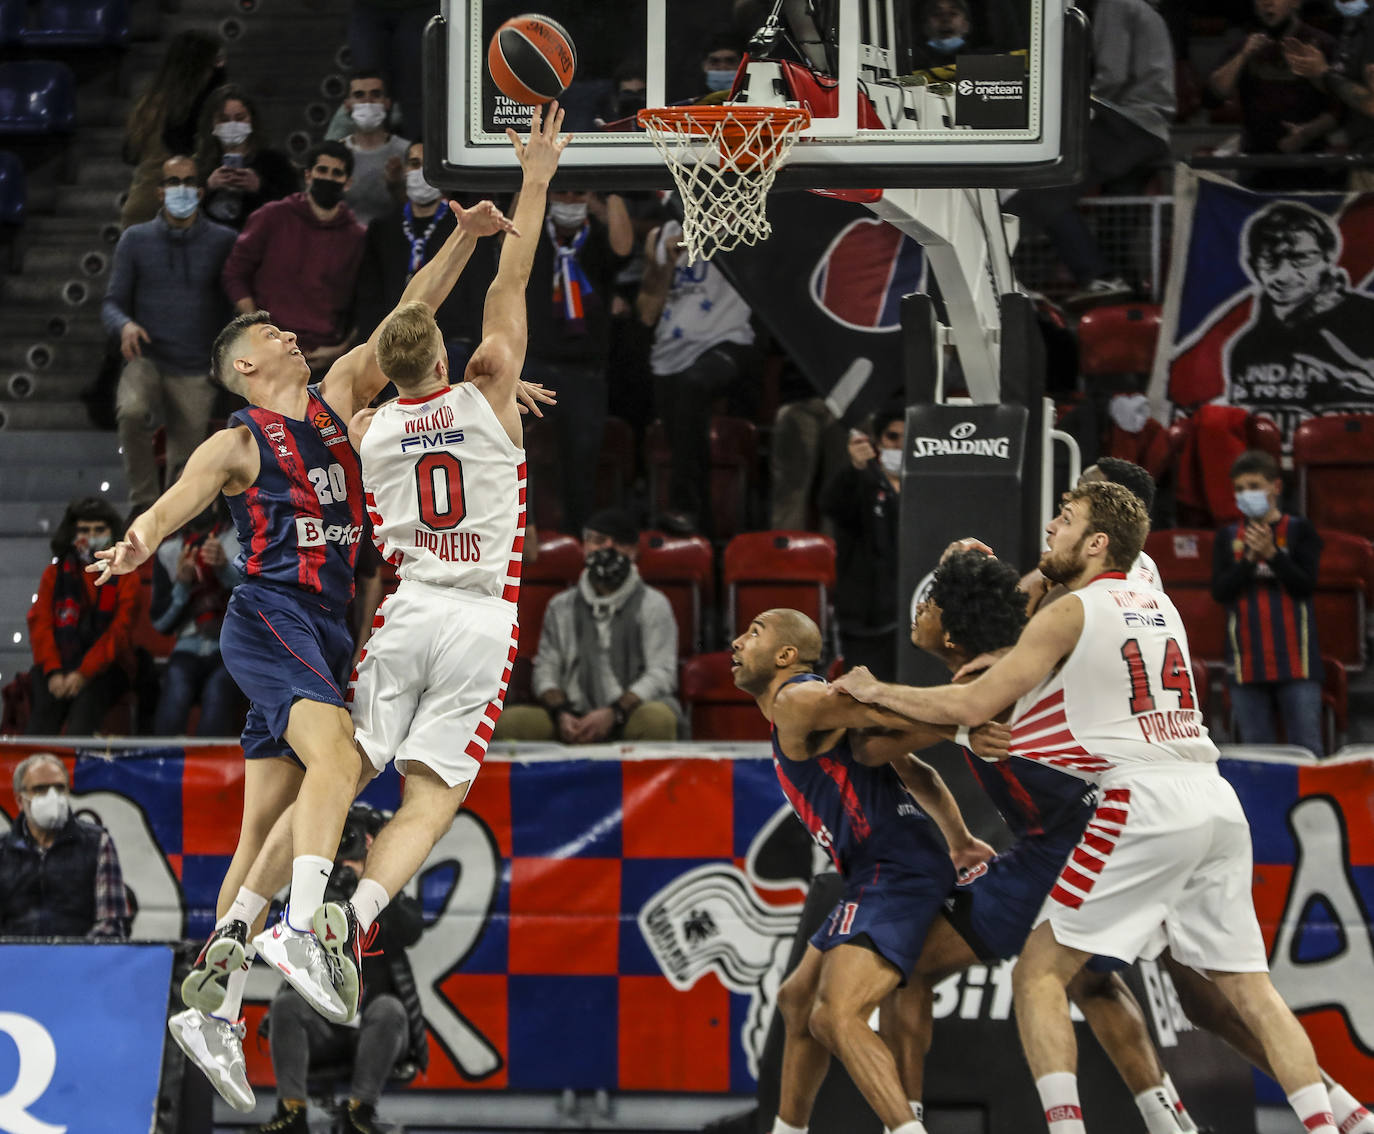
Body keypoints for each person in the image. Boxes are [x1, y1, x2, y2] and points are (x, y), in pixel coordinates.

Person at [91, 161, 516, 1113]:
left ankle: (213, 993)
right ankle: (309, 927)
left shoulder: (335, 400)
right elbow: (180, 496)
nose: (291, 332)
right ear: (246, 364)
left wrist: (466, 237)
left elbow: (405, 319)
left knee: (265, 833)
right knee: (343, 758)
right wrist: (139, 539)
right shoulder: (241, 437)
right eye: (273, 333)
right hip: (271, 613)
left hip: (328, 629)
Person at [833, 480, 1345, 1134]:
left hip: (1138, 804)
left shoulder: (1066, 615)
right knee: (1248, 994)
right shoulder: (1162, 602)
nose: (1051, 527)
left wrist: (878, 687)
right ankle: (1328, 1123)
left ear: (1098, 541)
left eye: (1065, 519)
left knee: (1040, 976)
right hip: (1213, 796)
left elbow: (966, 702)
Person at [227, 105, 564, 1036]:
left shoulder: (362, 429)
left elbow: (402, 330)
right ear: (454, 357)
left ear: (385, 362)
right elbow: (516, 271)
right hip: (479, 615)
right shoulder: (495, 392)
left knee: (342, 773)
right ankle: (348, 917)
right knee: (436, 793)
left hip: (405, 610)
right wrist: (533, 178)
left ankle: (257, 920)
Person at [730, 607, 994, 1134]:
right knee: (796, 999)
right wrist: (959, 839)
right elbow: (914, 772)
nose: (737, 642)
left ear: (785, 656)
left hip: (894, 868)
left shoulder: (794, 700)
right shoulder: (817, 712)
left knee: (834, 1015)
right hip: (889, 864)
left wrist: (965, 721)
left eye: (753, 633)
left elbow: (870, 707)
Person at [258, 806, 425, 1134]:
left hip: (377, 1028)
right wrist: (332, 887)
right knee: (286, 1006)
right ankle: (291, 1112)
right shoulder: (317, 889)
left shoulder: (391, 890)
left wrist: (371, 887)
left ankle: (359, 1114)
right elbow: (286, 926)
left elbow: (411, 929)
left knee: (390, 1008)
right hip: (324, 1026)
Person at [1004, 0, 1175, 309]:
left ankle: (1097, 276)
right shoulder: (1142, 9)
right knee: (1114, 229)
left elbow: (1112, 78)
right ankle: (1120, 289)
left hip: (1130, 124)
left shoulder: (1116, 4)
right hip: (1149, 130)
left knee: (1042, 192)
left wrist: (1063, 113)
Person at [102, 154, 237, 517]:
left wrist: (225, 359)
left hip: (197, 369)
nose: (182, 189)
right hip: (147, 359)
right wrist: (124, 325)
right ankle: (143, 501)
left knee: (183, 468)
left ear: (202, 189)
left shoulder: (225, 241)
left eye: (189, 181)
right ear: (160, 192)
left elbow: (235, 305)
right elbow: (112, 303)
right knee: (130, 412)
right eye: (174, 182)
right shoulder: (135, 240)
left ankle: (167, 525)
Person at [495, 508, 682, 742]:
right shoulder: (560, 605)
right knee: (508, 724)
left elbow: (661, 674)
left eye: (620, 543)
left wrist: (614, 713)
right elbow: (546, 670)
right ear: (584, 547)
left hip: (630, 714)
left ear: (634, 551)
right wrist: (561, 712)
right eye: (598, 540)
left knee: (657, 718)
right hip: (572, 714)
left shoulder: (654, 604)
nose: (607, 548)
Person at [636, 216, 757, 537]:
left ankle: (687, 508)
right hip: (670, 352)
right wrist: (663, 265)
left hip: (727, 340)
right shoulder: (662, 233)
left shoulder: (747, 222)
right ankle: (702, 529)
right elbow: (647, 313)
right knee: (680, 442)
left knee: (694, 385)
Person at [523, 189, 632, 535]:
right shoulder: (535, 237)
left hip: (585, 372)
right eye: (562, 194)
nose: (569, 201)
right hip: (535, 368)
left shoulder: (597, 237)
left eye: (577, 194)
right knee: (512, 452)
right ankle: (522, 531)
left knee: (582, 467)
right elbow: (511, 229)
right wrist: (534, 185)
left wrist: (609, 189)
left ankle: (576, 543)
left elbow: (624, 248)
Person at [1224, 200, 1374, 443]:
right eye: (1269, 259)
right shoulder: (1245, 348)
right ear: (1253, 265)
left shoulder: (1368, 318)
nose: (1284, 274)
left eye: (1301, 258)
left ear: (1328, 259)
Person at [1212, 449, 1324, 754]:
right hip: (1245, 664)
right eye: (1239, 489)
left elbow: (1305, 586)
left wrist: (1273, 556)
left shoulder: (1301, 531)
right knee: (1258, 756)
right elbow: (1220, 592)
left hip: (1297, 663)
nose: (1246, 494)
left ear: (1275, 487)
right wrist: (1249, 559)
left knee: (1307, 752)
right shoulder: (1228, 537)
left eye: (1253, 486)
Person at [221, 141, 366, 376]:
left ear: (348, 182)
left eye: (336, 173)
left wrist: (341, 349)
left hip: (324, 359)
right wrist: (257, 330)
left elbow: (365, 301)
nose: (328, 178)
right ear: (308, 175)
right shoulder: (271, 217)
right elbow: (235, 273)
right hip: (266, 352)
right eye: (322, 170)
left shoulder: (357, 237)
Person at [353, 140, 495, 374]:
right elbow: (370, 296)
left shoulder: (467, 225)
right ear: (404, 171)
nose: (420, 172)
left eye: (427, 165)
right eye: (414, 164)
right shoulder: (383, 228)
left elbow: (479, 293)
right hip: (391, 348)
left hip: (452, 348)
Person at [26, 498, 138, 736]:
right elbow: (40, 625)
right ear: (72, 534)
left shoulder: (126, 574)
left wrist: (84, 672)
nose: (91, 535)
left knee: (83, 716)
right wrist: (55, 672)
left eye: (99, 530)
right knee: (42, 719)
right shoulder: (53, 575)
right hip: (59, 664)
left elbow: (119, 631)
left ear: (112, 532)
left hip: (107, 667)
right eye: (84, 530)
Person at [1206, 0, 1339, 191]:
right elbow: (1213, 97)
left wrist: (1307, 133)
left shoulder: (1322, 45)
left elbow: (1340, 109)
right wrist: (1243, 56)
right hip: (1254, 164)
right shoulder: (1245, 46)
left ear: (1295, 3)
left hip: (1308, 164)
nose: (1267, 3)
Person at [0, 753, 132, 939]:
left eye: (59, 788)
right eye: (40, 789)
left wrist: (70, 958)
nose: (52, 796)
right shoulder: (3, 850)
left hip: (82, 964)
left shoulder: (97, 843)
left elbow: (112, 924)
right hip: (14, 964)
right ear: (20, 800)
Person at [820, 411, 905, 680]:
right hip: (865, 617)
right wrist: (855, 468)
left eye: (907, 437)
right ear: (877, 441)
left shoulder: (927, 486)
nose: (900, 445)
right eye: (893, 437)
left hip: (908, 614)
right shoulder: (860, 480)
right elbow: (832, 504)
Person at [149, 500, 243, 737]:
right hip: (187, 646)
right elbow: (160, 623)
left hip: (232, 647)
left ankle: (207, 768)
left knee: (218, 690)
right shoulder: (168, 552)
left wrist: (225, 570)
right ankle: (165, 766)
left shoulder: (241, 539)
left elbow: (260, 599)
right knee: (176, 688)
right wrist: (181, 586)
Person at [121, 30, 225, 229]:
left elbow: (129, 154)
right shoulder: (195, 107)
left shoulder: (149, 101)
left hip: (140, 204)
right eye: (213, 65)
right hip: (175, 210)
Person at [1282, 0, 1374, 192]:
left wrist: (1325, 74)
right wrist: (1315, 71)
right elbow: (1348, 92)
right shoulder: (1353, 24)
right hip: (1362, 160)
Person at [195, 85, 298, 232]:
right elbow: (179, 214)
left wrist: (259, 188)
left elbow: (294, 210)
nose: (232, 125)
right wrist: (208, 187)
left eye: (240, 118)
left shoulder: (275, 163)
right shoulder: (198, 165)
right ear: (212, 123)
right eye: (224, 119)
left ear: (252, 120)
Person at [338, 70, 411, 228]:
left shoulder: (407, 152)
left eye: (375, 94)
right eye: (359, 95)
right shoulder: (336, 153)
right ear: (348, 105)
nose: (368, 102)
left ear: (387, 103)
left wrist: (396, 186)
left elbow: (422, 210)